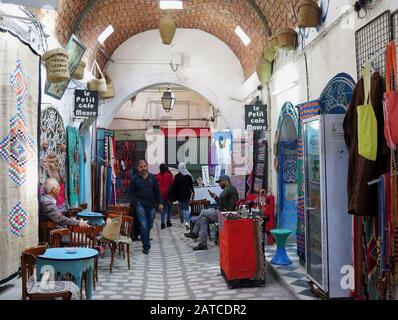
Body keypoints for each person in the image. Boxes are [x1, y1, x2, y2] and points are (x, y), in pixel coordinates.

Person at [184, 175, 238, 251]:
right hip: (223, 212)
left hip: (225, 214)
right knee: (203, 219)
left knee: (203, 212)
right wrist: (215, 197)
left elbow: (221, 203)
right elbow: (221, 202)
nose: (219, 185)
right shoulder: (229, 189)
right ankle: (203, 244)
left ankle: (195, 233)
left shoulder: (229, 189)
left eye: (220, 182)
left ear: (226, 181)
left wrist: (217, 199)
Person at [129, 160, 163, 254]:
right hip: (140, 205)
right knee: (143, 225)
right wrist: (137, 202)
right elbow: (130, 193)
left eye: (144, 166)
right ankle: (146, 246)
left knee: (149, 224)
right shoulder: (134, 179)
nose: (143, 169)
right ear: (138, 168)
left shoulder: (153, 178)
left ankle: (145, 238)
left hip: (151, 205)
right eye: (141, 167)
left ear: (147, 166)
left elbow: (157, 192)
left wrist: (160, 203)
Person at [172, 162, 194, 229]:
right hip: (187, 195)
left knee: (180, 208)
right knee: (186, 208)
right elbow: (191, 186)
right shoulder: (188, 176)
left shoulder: (177, 176)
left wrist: (174, 194)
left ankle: (182, 221)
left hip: (179, 195)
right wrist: (193, 193)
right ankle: (187, 221)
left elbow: (174, 187)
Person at [156, 163, 174, 229]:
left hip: (161, 195)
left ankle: (162, 223)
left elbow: (156, 184)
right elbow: (172, 184)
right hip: (168, 194)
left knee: (162, 209)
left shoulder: (158, 175)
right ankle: (168, 221)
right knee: (169, 208)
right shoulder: (169, 175)